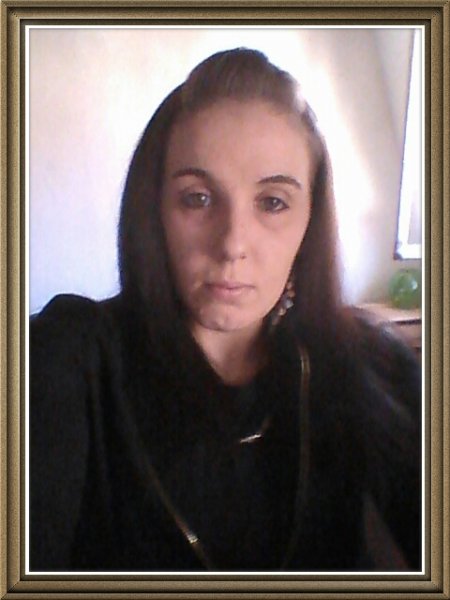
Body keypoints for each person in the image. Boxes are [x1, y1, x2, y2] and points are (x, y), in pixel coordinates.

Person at [30, 48, 421, 572]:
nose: (233, 243)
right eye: (197, 198)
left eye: (273, 202)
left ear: (310, 221)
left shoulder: (372, 366)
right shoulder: (68, 359)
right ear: (155, 208)